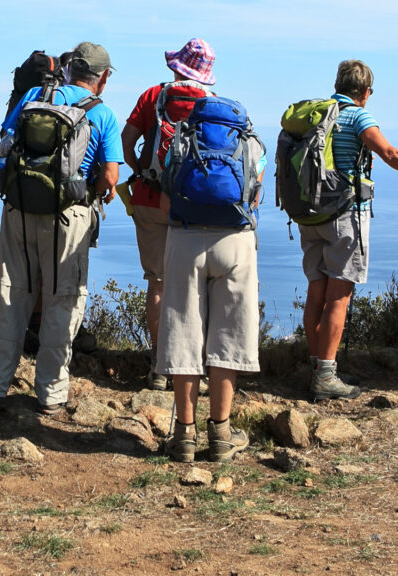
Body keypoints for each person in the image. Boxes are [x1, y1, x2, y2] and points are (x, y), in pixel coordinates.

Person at [298, 60, 398, 402]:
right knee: (338, 296)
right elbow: (390, 153)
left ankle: (317, 367)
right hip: (345, 215)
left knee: (317, 292)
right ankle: (326, 377)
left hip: (310, 214)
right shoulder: (358, 116)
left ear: (337, 84)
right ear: (366, 92)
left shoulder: (317, 114)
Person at [0, 42, 122, 414]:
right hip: (69, 216)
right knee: (62, 298)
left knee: (9, 294)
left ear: (70, 70)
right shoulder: (102, 113)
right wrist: (91, 190)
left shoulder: (34, 97)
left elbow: (7, 142)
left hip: (20, 207)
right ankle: (51, 393)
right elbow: (109, 176)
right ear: (103, 78)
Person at [157, 94, 267, 464]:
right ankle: (221, 433)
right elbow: (254, 197)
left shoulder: (180, 139)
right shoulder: (251, 144)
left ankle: (183, 436)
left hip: (185, 239)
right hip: (235, 242)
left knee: (183, 331)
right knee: (229, 333)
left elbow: (167, 196)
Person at [120, 37, 215, 391]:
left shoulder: (152, 96)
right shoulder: (212, 103)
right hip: (193, 205)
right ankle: (191, 369)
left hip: (149, 199)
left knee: (158, 283)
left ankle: (160, 367)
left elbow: (126, 141)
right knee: (194, 287)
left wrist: (142, 172)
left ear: (176, 67)